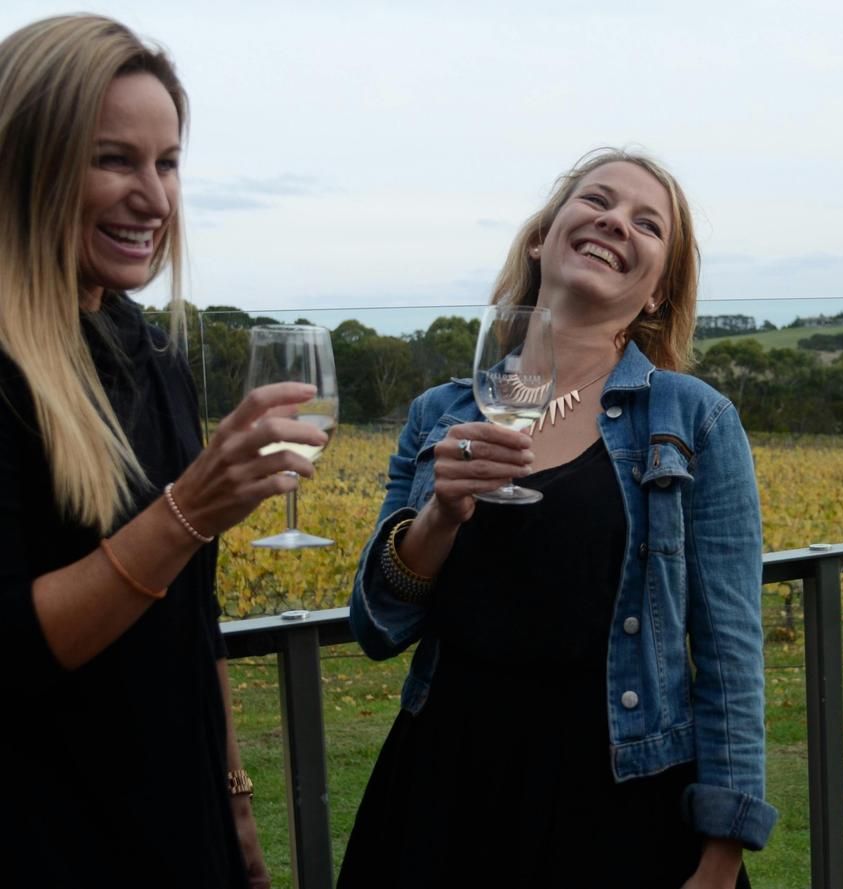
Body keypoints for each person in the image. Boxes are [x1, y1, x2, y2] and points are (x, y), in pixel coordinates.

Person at [343, 149, 776, 888]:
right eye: (597, 201)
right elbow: (379, 623)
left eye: (648, 223)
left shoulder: (695, 419)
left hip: (619, 804)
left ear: (655, 293)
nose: (616, 222)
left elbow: (732, 651)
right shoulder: (440, 414)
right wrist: (441, 515)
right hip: (444, 793)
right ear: (544, 237)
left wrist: (721, 851)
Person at [0, 15, 329, 888]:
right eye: (114, 158)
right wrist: (186, 511)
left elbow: (195, 616)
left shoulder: (153, 353)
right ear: (24, 161)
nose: (153, 196)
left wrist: (235, 802)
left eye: (168, 162)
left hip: (179, 830)